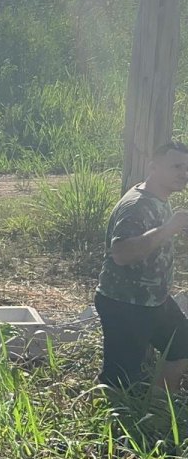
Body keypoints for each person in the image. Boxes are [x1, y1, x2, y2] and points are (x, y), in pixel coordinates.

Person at [95, 140, 188, 396]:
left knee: (182, 346)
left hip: (154, 301)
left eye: (187, 168)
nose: (184, 173)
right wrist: (169, 228)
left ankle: (159, 407)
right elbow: (122, 254)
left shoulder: (159, 198)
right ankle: (110, 427)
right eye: (176, 166)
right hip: (124, 304)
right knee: (118, 382)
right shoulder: (137, 204)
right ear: (153, 167)